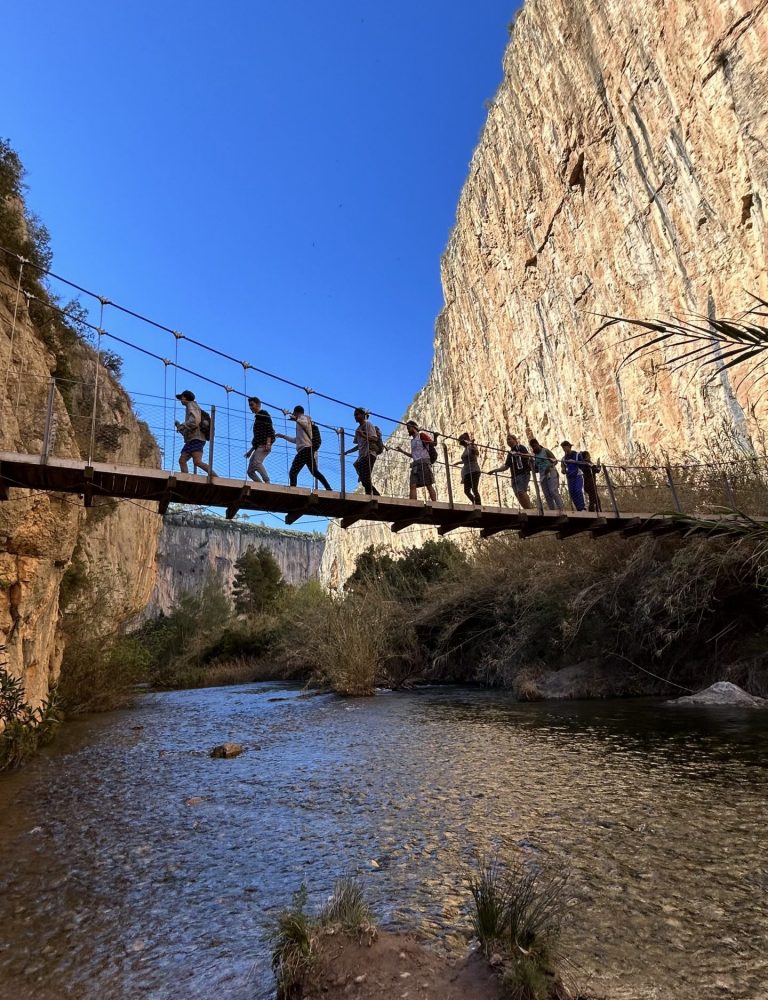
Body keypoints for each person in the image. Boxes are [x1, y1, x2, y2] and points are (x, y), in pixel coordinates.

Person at [275, 404, 332, 490]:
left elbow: (305, 423)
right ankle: (328, 488)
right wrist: (283, 436)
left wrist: (296, 419)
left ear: (296, 412)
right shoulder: (300, 423)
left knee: (293, 472)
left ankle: (293, 491)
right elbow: (296, 440)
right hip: (308, 450)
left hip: (305, 450)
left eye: (294, 413)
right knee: (315, 472)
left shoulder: (303, 417)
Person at [391, 420, 437, 501]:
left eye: (409, 428)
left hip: (424, 462)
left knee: (428, 484)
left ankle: (435, 503)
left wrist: (435, 436)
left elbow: (433, 444)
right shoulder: (412, 441)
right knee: (412, 485)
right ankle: (413, 504)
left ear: (414, 427)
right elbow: (413, 455)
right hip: (415, 464)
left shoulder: (421, 435)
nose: (408, 430)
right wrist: (402, 451)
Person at [175, 389, 215, 476]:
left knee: (197, 462)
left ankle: (216, 477)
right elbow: (190, 426)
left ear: (185, 398)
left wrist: (182, 425)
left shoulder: (191, 405)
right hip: (193, 439)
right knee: (182, 460)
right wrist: (180, 426)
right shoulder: (191, 406)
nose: (180, 400)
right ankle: (185, 479)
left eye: (181, 398)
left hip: (197, 438)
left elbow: (195, 421)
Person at [488, 433, 532, 508]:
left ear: (515, 440)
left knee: (521, 492)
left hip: (523, 473)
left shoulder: (521, 447)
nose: (507, 441)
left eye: (509, 439)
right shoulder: (510, 453)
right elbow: (506, 466)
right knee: (517, 493)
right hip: (514, 475)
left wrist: (518, 454)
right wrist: (494, 470)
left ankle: (530, 509)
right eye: (507, 440)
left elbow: (528, 456)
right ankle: (527, 509)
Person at [344, 407, 381, 495]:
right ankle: (373, 494)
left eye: (357, 414)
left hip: (369, 454)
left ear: (363, 415)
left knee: (365, 479)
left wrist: (363, 435)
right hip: (362, 456)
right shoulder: (357, 430)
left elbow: (374, 438)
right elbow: (359, 445)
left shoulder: (368, 425)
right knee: (364, 479)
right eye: (354, 415)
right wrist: (347, 452)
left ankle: (373, 495)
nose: (355, 417)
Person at [244, 396, 275, 483]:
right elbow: (257, 438)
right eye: (249, 405)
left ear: (258, 405)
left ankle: (267, 482)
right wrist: (250, 451)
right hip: (258, 446)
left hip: (264, 445)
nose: (250, 407)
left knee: (257, 462)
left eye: (252, 405)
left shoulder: (263, 414)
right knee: (250, 471)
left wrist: (268, 443)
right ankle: (260, 485)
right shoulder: (257, 417)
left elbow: (269, 428)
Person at [529, 437, 563, 511]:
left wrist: (549, 466)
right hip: (542, 475)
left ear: (538, 444)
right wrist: (531, 464)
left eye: (535, 445)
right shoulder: (535, 456)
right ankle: (552, 510)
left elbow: (555, 461)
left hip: (551, 471)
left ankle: (561, 509)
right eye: (532, 447)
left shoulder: (545, 451)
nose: (534, 448)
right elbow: (536, 469)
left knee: (553, 491)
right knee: (547, 495)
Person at [456, 432, 482, 505]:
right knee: (466, 491)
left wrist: (473, 445)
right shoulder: (466, 449)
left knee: (474, 489)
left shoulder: (471, 446)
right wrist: (458, 463)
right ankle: (475, 502)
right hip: (467, 472)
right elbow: (466, 459)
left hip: (474, 470)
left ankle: (478, 505)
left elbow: (476, 454)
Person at [560, 440, 586, 511]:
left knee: (578, 490)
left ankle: (582, 507)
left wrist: (575, 462)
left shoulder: (577, 455)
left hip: (578, 475)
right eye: (563, 448)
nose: (564, 449)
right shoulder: (563, 459)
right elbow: (562, 468)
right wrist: (563, 470)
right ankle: (578, 508)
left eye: (565, 447)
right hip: (569, 477)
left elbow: (583, 464)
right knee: (572, 492)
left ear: (569, 446)